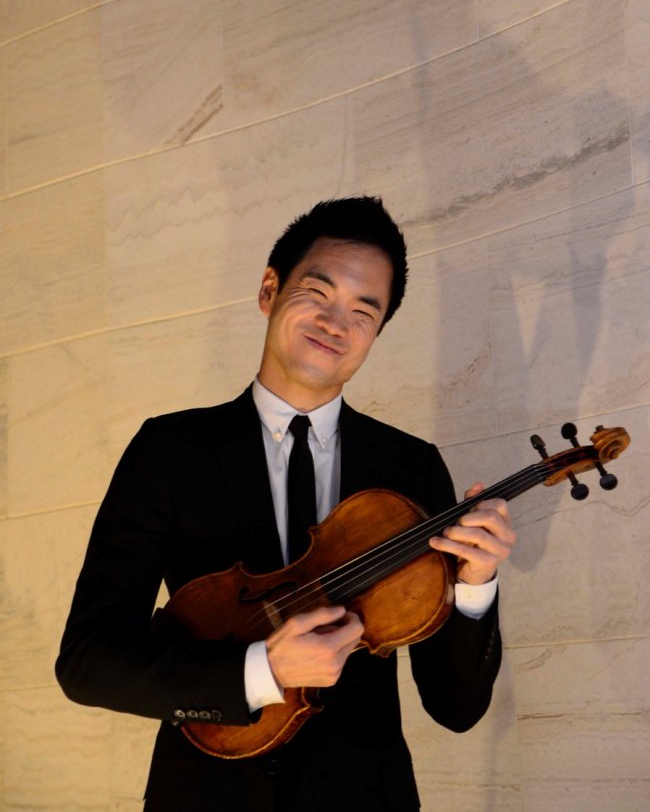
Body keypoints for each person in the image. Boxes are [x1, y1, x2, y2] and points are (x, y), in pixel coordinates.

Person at [56, 196, 515, 812]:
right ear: (270, 289)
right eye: (318, 293)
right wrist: (259, 672)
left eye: (363, 311)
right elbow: (87, 662)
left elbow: (456, 708)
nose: (336, 322)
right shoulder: (170, 450)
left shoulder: (410, 469)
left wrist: (476, 586)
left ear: (376, 333)